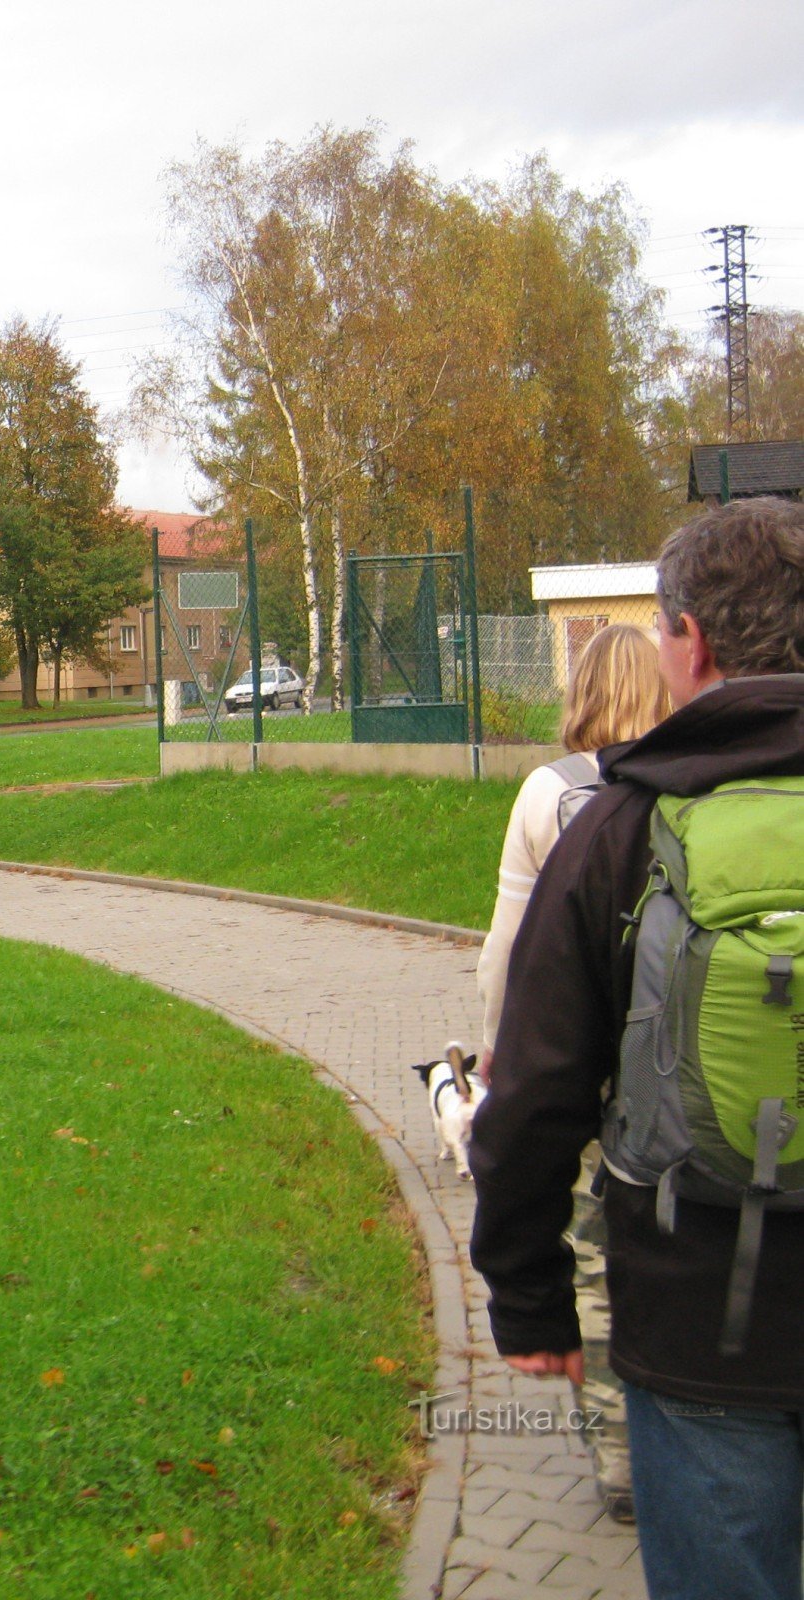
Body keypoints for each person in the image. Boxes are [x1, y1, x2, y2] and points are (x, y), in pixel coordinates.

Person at [471, 497, 804, 1600]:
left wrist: (531, 1297)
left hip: (700, 1312)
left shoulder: (621, 827)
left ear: (692, 641)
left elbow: (533, 1089)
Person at [473, 622, 670, 1522]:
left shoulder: (548, 795)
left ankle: (620, 1454)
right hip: (670, 1066)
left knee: (592, 1260)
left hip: (574, 1063)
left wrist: (493, 1063)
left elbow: (508, 954)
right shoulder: (689, 785)